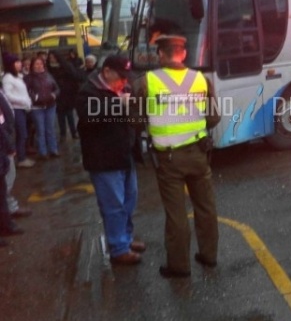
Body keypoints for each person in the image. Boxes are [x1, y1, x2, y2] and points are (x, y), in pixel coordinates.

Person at [132, 34, 220, 278]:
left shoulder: (147, 82)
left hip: (168, 159)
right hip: (199, 154)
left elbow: (135, 122)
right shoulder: (200, 79)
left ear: (161, 54)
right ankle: (209, 256)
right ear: (183, 54)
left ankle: (179, 266)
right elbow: (214, 118)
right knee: (205, 206)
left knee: (176, 213)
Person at [76, 54, 144, 265]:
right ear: (106, 72)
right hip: (104, 159)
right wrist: (118, 104)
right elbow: (90, 118)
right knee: (113, 205)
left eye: (126, 76)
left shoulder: (123, 89)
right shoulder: (88, 91)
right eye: (120, 76)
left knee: (129, 201)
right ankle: (118, 248)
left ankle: (126, 238)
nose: (125, 81)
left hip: (125, 155)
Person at [0, 87, 31, 221]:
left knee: (8, 177)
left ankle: (8, 210)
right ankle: (8, 210)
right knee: (6, 178)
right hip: (3, 141)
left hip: (5, 137)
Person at [23, 56, 60, 159]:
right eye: (36, 64)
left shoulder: (49, 75)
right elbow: (26, 91)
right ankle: (43, 152)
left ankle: (53, 150)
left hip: (50, 106)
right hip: (37, 107)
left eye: (40, 64)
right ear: (32, 66)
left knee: (50, 129)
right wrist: (35, 97)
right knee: (40, 130)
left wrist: (54, 95)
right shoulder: (29, 78)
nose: (39, 66)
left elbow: (56, 88)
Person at [2, 53, 34, 168]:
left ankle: (22, 155)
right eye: (17, 62)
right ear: (11, 64)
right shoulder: (8, 78)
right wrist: (23, 101)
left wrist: (28, 100)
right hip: (16, 110)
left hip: (23, 109)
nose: (20, 64)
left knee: (24, 133)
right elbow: (8, 95)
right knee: (22, 134)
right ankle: (21, 158)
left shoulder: (18, 77)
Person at [47, 50, 81, 141]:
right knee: (60, 115)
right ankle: (63, 133)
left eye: (53, 58)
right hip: (57, 94)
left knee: (69, 114)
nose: (52, 60)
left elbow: (74, 77)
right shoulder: (49, 69)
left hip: (68, 93)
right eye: (50, 58)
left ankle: (73, 132)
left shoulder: (66, 66)